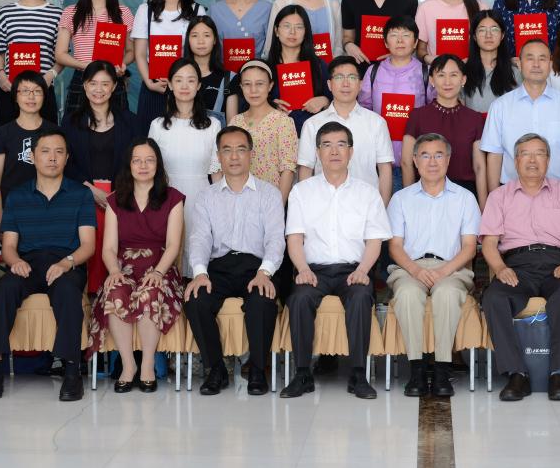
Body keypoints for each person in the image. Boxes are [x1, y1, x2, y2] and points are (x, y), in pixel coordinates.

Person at [0, 131, 99, 399]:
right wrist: (15, 262)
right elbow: (9, 246)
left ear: (67, 158)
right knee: (2, 292)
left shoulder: (80, 194)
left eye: (59, 152)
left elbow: (88, 245)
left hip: (66, 262)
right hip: (28, 262)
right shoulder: (17, 196)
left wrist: (66, 263)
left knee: (68, 293)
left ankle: (72, 372)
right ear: (33, 157)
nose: (52, 158)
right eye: (45, 151)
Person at [478, 134, 560, 402]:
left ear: (548, 160)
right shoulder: (499, 196)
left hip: (557, 263)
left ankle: (558, 373)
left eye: (539, 153)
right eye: (525, 154)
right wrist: (500, 268)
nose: (532, 160)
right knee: (494, 298)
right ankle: (517, 373)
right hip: (517, 266)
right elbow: (489, 243)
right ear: (515, 160)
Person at [281, 122, 390, 399]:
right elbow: (294, 238)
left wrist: (363, 270)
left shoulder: (368, 193)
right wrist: (302, 268)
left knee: (361, 296)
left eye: (341, 145)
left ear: (351, 152)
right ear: (317, 152)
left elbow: (374, 240)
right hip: (313, 270)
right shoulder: (301, 191)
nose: (334, 152)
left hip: (353, 269)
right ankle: (302, 373)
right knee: (299, 298)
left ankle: (358, 374)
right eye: (327, 145)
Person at [182, 127, 287, 396]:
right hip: (219, 267)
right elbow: (200, 238)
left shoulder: (269, 193)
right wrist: (200, 273)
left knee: (262, 300)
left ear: (251, 154)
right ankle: (216, 369)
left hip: (257, 267)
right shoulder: (207, 196)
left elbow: (276, 239)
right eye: (227, 150)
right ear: (218, 156)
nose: (234, 156)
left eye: (241, 149)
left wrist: (265, 272)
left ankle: (257, 369)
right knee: (196, 299)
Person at [385, 135, 481, 398]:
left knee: (447, 293)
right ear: (415, 161)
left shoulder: (465, 198)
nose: (432, 162)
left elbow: (469, 247)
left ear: (448, 160)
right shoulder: (401, 199)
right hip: (410, 267)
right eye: (425, 155)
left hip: (452, 268)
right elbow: (395, 247)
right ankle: (416, 370)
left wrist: (443, 272)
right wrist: (416, 271)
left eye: (439, 155)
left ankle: (441, 369)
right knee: (407, 294)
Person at [99, 139, 188, 393]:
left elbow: (173, 244)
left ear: (158, 164)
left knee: (150, 292)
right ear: (129, 165)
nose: (143, 166)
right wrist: (114, 271)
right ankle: (129, 366)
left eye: (149, 160)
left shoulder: (173, 198)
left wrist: (159, 272)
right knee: (116, 291)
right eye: (137, 160)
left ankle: (147, 365)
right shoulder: (115, 200)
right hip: (124, 267)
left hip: (160, 266)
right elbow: (108, 248)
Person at [479, 37, 560, 200]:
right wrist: (495, 202)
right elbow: (494, 156)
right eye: (530, 58)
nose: (536, 64)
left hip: (558, 194)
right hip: (512, 195)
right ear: (519, 64)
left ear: (550, 64)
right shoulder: (500, 106)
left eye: (542, 59)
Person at [297, 56, 397, 196]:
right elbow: (306, 169)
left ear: (360, 84)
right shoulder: (312, 124)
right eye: (339, 77)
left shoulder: (376, 122)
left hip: (366, 204)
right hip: (324, 203)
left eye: (352, 77)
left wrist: (382, 206)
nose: (345, 83)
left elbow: (385, 169)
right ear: (329, 84)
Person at [0, 0, 64, 123]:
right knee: (9, 137)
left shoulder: (58, 15)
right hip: (11, 90)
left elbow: (62, 55)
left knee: (46, 138)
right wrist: (2, 76)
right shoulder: (4, 13)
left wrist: (49, 77)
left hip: (43, 91)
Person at [134, 0, 202, 121]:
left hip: (186, 88)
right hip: (153, 85)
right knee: (149, 135)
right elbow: (140, 54)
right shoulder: (145, 10)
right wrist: (149, 83)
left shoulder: (197, 11)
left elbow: (202, 52)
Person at [408, 56, 488, 190]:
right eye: (441, 75)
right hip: (425, 190)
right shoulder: (417, 116)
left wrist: (483, 202)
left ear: (463, 79)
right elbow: (407, 163)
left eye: (453, 75)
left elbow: (479, 167)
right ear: (432, 80)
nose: (447, 82)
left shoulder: (475, 119)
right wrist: (409, 197)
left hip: (465, 192)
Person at [227, 61, 301, 195]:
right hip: (238, 198)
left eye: (260, 84)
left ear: (270, 86)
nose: (253, 90)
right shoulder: (235, 122)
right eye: (247, 84)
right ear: (241, 86)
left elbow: (288, 169)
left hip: (270, 199)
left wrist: (278, 204)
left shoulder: (283, 121)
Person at [359, 20, 429, 161]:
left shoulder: (426, 72)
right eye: (394, 35)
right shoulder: (373, 71)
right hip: (378, 154)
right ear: (386, 43)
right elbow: (363, 109)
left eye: (406, 35)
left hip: (415, 154)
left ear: (415, 42)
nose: (400, 40)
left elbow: (432, 111)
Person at [152, 60, 221, 195]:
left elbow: (217, 175)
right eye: (178, 80)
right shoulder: (157, 125)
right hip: (166, 199)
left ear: (198, 85)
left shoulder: (213, 125)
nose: (184, 86)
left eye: (190, 80)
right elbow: (152, 172)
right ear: (170, 84)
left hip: (203, 199)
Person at [252, 4, 331, 116]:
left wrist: (325, 101)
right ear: (276, 31)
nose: (292, 32)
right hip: (277, 126)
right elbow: (248, 102)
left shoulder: (319, 66)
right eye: (286, 26)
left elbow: (338, 98)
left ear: (306, 32)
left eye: (299, 27)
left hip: (313, 125)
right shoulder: (264, 68)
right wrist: (268, 105)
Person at [0, 71, 55, 194]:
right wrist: (0, 207)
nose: (31, 96)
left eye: (37, 91)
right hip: (10, 203)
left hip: (47, 203)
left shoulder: (55, 132)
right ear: (15, 97)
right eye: (25, 91)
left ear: (44, 96)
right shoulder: (2, 133)